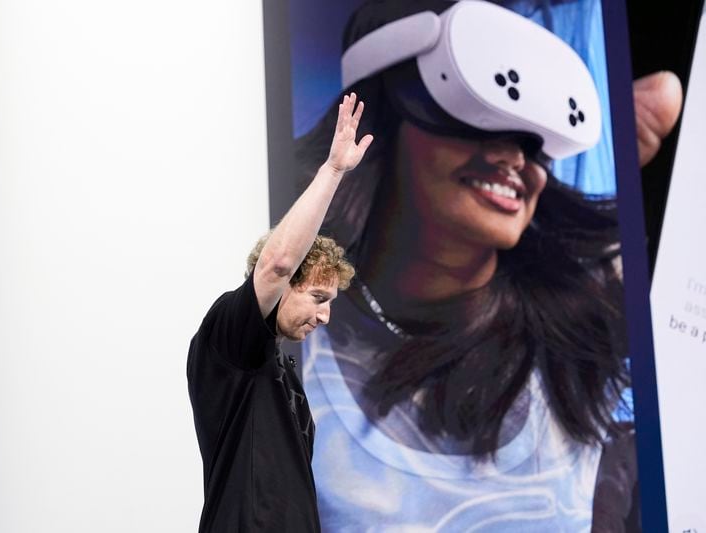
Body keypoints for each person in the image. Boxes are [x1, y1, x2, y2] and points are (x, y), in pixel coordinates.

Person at [283, 1, 682, 531]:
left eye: (535, 139)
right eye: (476, 111)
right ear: (383, 112)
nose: (515, 157)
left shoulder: (586, 326)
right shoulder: (285, 334)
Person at [187, 93, 372, 532]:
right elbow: (279, 263)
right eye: (318, 298)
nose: (325, 317)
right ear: (284, 288)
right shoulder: (231, 338)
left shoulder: (281, 369)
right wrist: (333, 170)